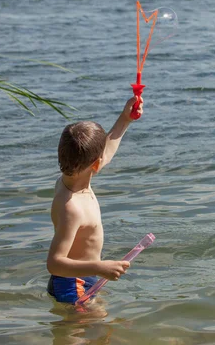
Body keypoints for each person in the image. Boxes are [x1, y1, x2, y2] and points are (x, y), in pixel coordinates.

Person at [46, 96, 143, 305]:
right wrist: (99, 267)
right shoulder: (71, 208)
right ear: (96, 165)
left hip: (83, 278)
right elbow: (54, 263)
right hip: (73, 284)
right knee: (90, 333)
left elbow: (106, 150)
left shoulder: (71, 179)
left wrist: (125, 119)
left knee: (98, 334)